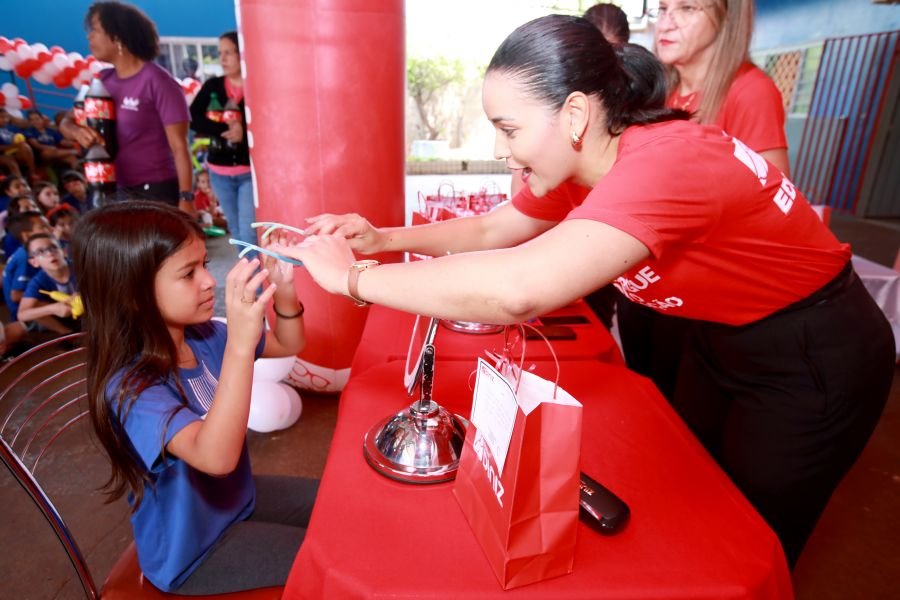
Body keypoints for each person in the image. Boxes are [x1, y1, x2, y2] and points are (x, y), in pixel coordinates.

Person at [278, 15, 894, 567]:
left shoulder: (665, 163)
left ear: (573, 114)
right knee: (696, 500)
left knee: (746, 538)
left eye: (508, 128)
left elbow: (520, 288)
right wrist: (379, 237)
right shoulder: (583, 162)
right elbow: (496, 229)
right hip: (722, 333)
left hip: (811, 351)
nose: (501, 151)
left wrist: (352, 280)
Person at [71, 201, 317, 594]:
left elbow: (291, 341)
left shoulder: (205, 336)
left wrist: (284, 290)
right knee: (329, 556)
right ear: (131, 295)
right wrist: (239, 345)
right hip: (194, 553)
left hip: (238, 500)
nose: (209, 281)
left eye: (205, 263)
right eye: (189, 273)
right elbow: (216, 458)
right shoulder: (130, 387)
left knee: (335, 504)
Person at [617, 0, 793, 400]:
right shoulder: (664, 92)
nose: (668, 21)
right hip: (650, 285)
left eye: (688, 8)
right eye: (663, 8)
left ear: (727, 19)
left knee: (681, 419)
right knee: (646, 398)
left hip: (702, 302)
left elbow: (776, 208)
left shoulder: (750, 91)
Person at [59, 1, 195, 216]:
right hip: (114, 189)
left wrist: (186, 198)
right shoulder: (102, 82)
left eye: (95, 30)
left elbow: (180, 147)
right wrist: (77, 131)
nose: (89, 37)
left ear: (117, 36)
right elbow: (66, 122)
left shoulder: (157, 81)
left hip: (156, 190)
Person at [189, 31, 255, 253]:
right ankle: (252, 282)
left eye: (229, 53)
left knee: (249, 232)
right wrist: (223, 130)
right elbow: (194, 117)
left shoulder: (256, 86)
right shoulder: (212, 87)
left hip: (249, 172)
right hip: (220, 173)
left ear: (242, 54)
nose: (223, 59)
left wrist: (243, 133)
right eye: (220, 53)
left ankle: (257, 286)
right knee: (236, 231)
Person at [18, 233, 79, 335]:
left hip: (90, 312)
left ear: (63, 251)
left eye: (53, 248)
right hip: (64, 316)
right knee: (36, 307)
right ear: (34, 262)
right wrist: (52, 308)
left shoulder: (80, 267)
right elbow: (21, 314)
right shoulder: (38, 281)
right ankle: (67, 333)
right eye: (40, 252)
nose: (50, 254)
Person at [2, 211, 53, 322]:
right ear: (27, 235)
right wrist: (52, 304)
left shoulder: (27, 251)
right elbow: (15, 295)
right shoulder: (24, 257)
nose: (51, 229)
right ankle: (66, 333)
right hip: (25, 316)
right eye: (43, 227)